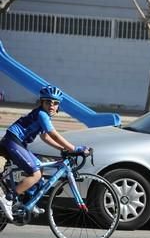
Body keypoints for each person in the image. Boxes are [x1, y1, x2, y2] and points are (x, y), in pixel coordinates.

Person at [0, 85, 88, 220]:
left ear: (58, 106)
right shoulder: (42, 114)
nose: (52, 105)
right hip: (13, 141)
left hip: (17, 142)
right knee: (35, 174)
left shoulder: (44, 114)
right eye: (48, 102)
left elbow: (44, 137)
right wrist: (74, 149)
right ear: (42, 102)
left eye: (55, 103)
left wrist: (62, 149)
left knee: (39, 168)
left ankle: (27, 201)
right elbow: (53, 134)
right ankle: (8, 198)